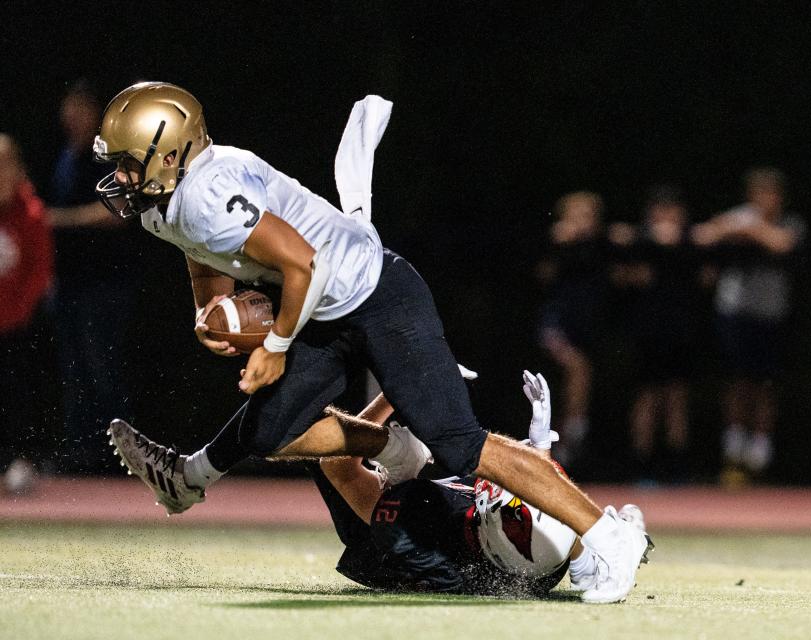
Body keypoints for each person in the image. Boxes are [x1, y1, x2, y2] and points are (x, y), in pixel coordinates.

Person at [96, 81, 645, 603]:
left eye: (127, 161)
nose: (119, 176)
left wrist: (276, 345)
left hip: (377, 294)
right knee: (271, 430)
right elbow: (201, 247)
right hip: (328, 305)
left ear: (170, 155)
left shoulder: (209, 193)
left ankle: (607, 536)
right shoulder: (164, 203)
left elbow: (302, 262)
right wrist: (207, 309)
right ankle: (374, 452)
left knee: (458, 443)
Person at [310, 370, 652, 596]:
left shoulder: (418, 522)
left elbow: (337, 463)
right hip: (471, 537)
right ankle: (619, 536)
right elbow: (553, 519)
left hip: (396, 530)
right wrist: (540, 452)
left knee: (394, 450)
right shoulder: (542, 564)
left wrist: (396, 392)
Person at [44, 80, 140, 473]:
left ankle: (120, 457)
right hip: (70, 284)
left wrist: (57, 220)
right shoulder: (65, 156)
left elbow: (119, 211)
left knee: (105, 371)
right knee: (74, 373)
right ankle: (80, 455)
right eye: (68, 112)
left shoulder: (108, 155)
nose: (72, 119)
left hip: (106, 284)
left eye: (79, 111)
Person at [691, 167, 805, 478]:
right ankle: (733, 446)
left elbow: (783, 243)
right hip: (735, 313)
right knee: (736, 380)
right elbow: (702, 236)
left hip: (771, 315)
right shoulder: (738, 217)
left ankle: (760, 449)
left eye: (771, 194)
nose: (765, 200)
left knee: (765, 384)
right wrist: (731, 227)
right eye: (759, 194)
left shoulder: (787, 222)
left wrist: (751, 229)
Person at [608, 185, 705, 480]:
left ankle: (676, 466)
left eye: (672, 210)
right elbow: (618, 271)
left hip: (681, 332)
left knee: (676, 398)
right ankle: (642, 464)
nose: (667, 216)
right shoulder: (637, 242)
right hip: (647, 332)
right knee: (646, 397)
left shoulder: (692, 243)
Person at [533, 191, 610, 467]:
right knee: (576, 369)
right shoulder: (556, 245)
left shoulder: (600, 247)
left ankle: (571, 440)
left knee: (582, 375)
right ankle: (572, 434)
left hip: (587, 327)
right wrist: (558, 244)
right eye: (577, 216)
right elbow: (542, 276)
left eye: (589, 216)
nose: (583, 222)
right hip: (556, 326)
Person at [0, 134, 54, 493]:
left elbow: (39, 272)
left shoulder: (31, 212)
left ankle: (20, 461)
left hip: (16, 324)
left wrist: (17, 311)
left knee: (17, 393)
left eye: (5, 165)